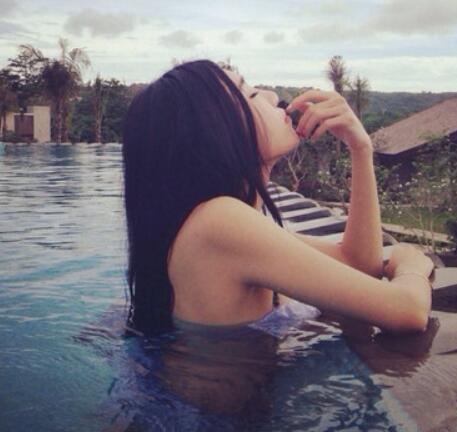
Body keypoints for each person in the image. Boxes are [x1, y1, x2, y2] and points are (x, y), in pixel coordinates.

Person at [122, 59, 434, 336]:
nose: (273, 96)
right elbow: (408, 311)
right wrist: (412, 267)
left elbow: (358, 266)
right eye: (250, 93)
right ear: (214, 129)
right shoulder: (221, 222)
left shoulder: (221, 224)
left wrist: (360, 148)